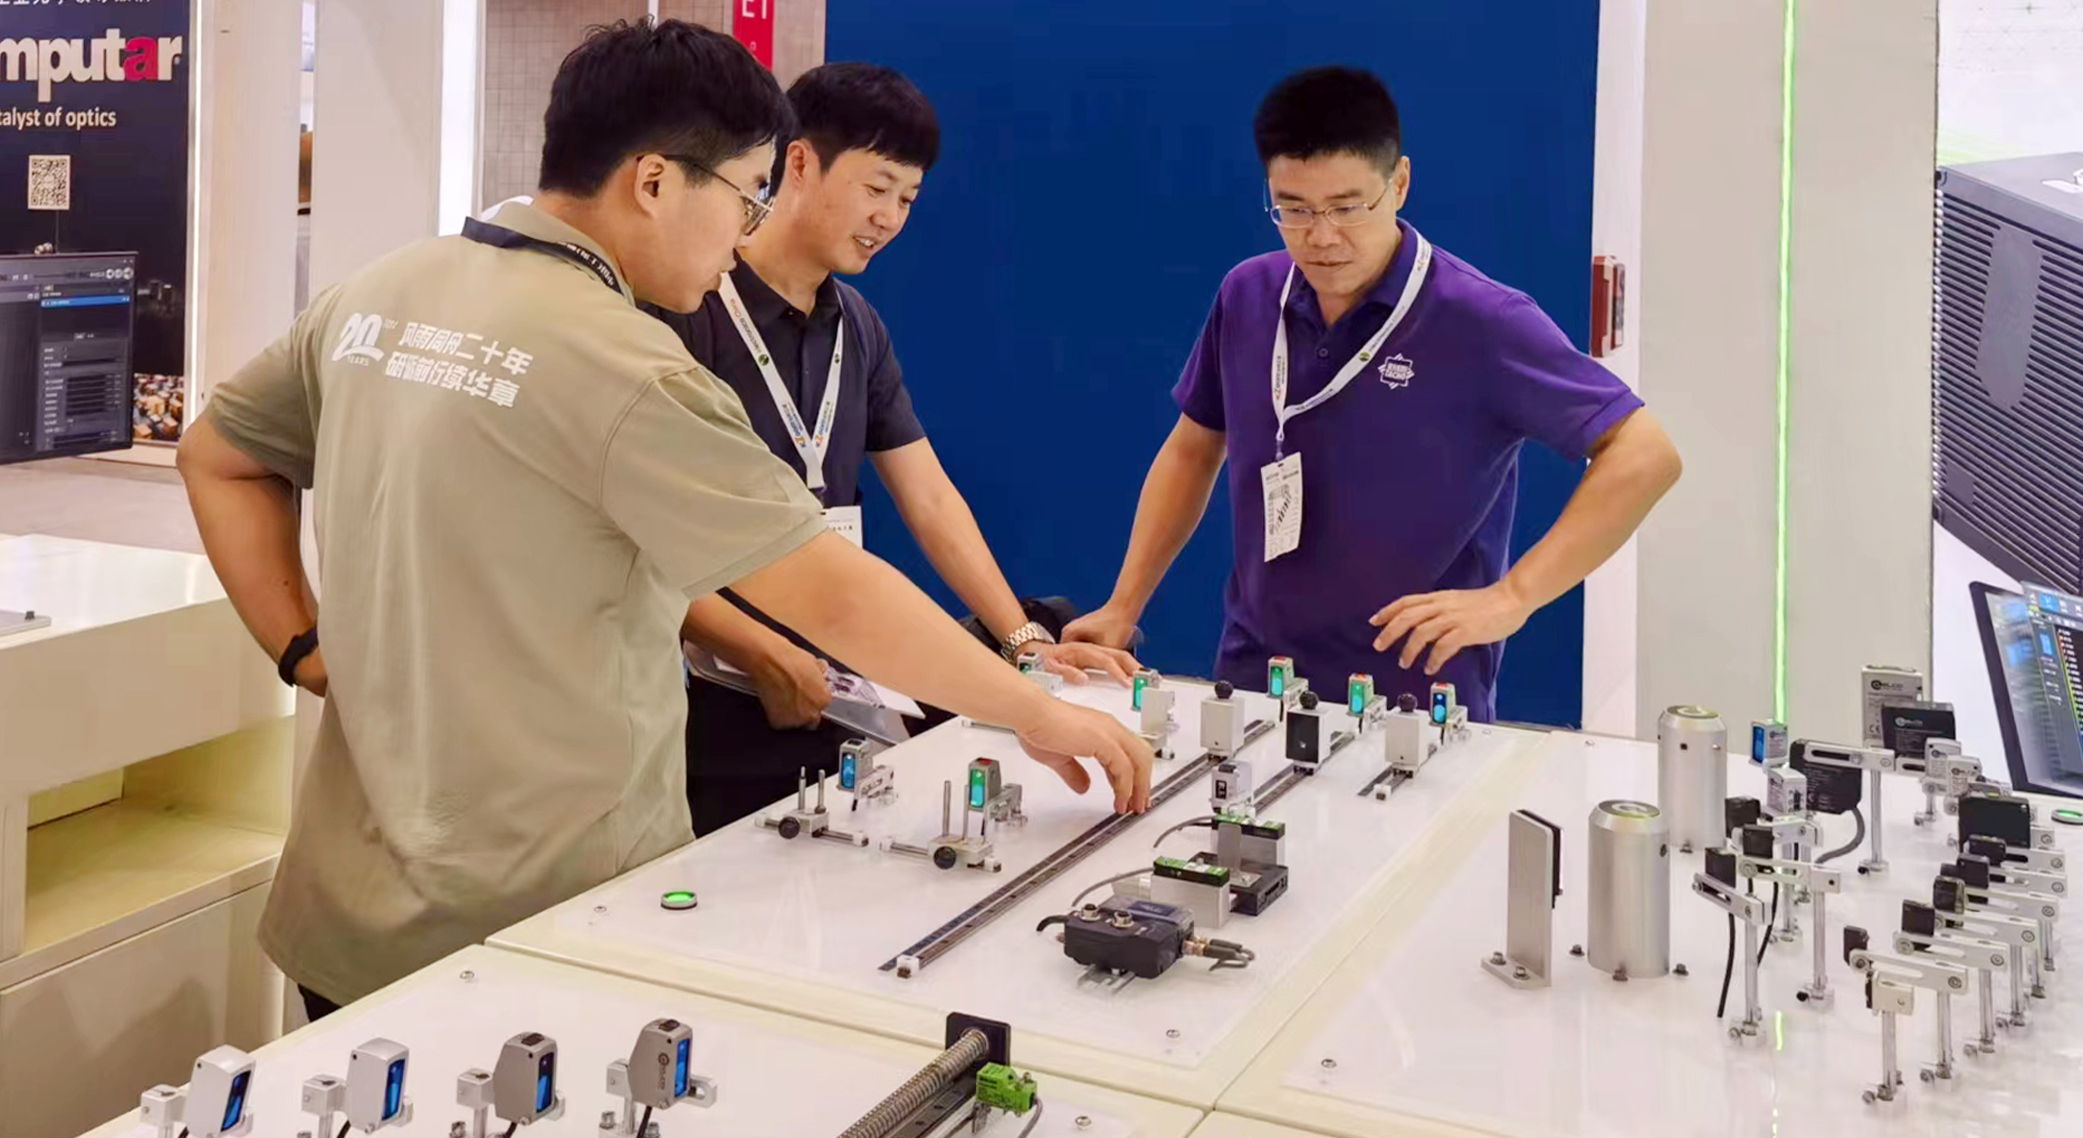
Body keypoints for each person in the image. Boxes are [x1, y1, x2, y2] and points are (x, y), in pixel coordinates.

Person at [177, 19, 1152, 1021]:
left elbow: (217, 455)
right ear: (653, 181)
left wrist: (301, 648)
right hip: (541, 920)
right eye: (745, 193)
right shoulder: (626, 364)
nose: (743, 231)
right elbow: (827, 591)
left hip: (346, 910)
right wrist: (1033, 709)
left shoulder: (379, 295)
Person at [1065, 67, 1682, 721]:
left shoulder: (1481, 318)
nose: (1322, 236)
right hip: (1256, 673)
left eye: (1347, 207)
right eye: (1294, 209)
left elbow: (1645, 454)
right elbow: (1193, 449)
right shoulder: (1249, 295)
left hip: (1415, 688)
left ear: (1400, 183)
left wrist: (1515, 595)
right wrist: (1124, 605)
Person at [659, 62, 1141, 835]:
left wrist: (1022, 642)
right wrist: (756, 648)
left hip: (839, 679)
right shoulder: (690, 305)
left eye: (908, 200)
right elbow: (645, 535)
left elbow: (929, 497)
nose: (888, 218)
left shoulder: (857, 325)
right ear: (799, 162)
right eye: (876, 188)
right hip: (709, 696)